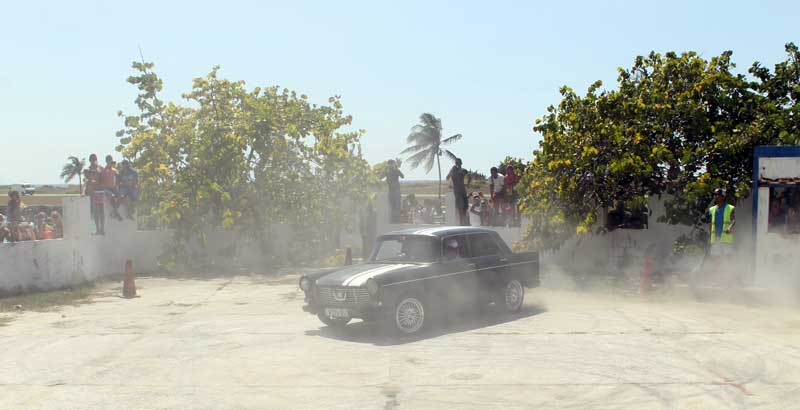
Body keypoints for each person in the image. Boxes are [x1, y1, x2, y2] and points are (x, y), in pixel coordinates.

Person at [84, 154, 105, 235]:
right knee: (95, 212)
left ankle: (102, 229)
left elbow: (103, 179)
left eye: (94, 158)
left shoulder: (100, 168)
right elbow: (87, 181)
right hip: (92, 192)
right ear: (90, 160)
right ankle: (97, 229)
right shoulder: (87, 169)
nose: (93, 160)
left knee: (101, 211)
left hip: (99, 191)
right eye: (92, 159)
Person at [447, 158, 469, 226]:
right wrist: (451, 174)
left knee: (465, 207)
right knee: (460, 206)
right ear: (456, 163)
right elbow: (447, 177)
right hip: (457, 191)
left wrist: (467, 183)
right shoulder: (453, 170)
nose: (458, 164)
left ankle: (464, 221)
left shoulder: (462, 170)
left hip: (462, 190)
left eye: (459, 163)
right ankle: (461, 222)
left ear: (461, 163)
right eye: (457, 163)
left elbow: (469, 176)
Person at [100, 155, 122, 221]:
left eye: (111, 160)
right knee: (112, 196)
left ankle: (114, 212)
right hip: (106, 188)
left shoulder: (114, 170)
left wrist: (117, 184)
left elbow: (118, 177)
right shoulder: (103, 170)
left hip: (113, 187)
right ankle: (117, 213)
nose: (110, 162)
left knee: (120, 197)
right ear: (106, 161)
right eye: (109, 160)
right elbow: (101, 179)